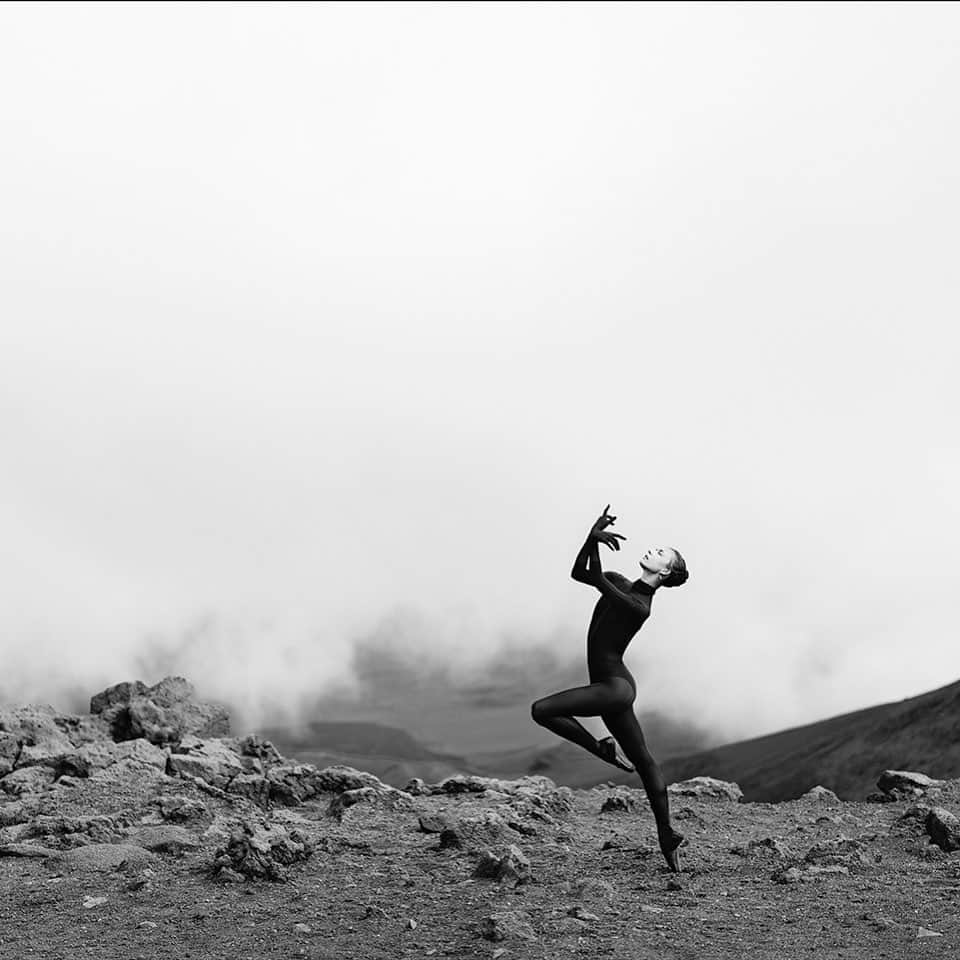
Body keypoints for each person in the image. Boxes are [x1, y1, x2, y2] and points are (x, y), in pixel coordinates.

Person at [530, 505, 690, 871]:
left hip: (615, 688)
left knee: (542, 710)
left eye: (661, 553)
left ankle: (601, 748)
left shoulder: (639, 606)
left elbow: (598, 579)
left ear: (664, 572)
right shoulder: (621, 581)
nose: (652, 550)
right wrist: (590, 538)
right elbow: (580, 573)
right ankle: (667, 835)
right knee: (645, 762)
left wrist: (593, 540)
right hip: (612, 685)